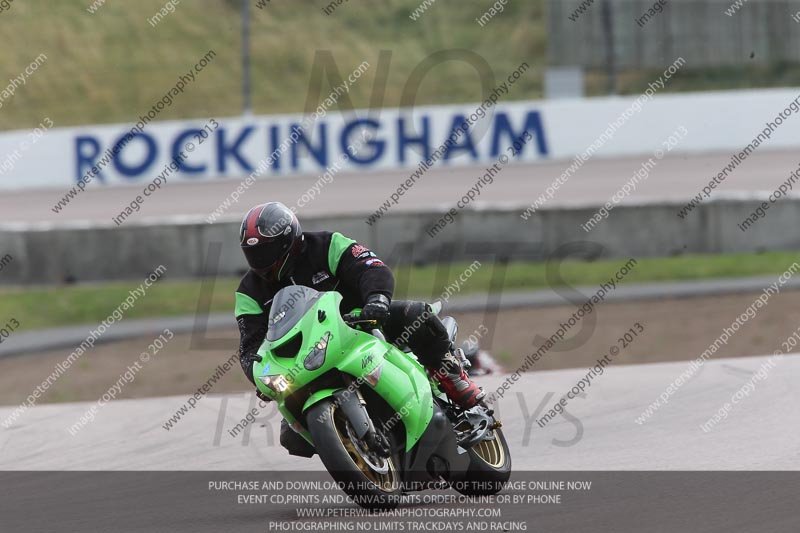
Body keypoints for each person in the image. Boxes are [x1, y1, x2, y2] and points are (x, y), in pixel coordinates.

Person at [234, 202, 484, 456]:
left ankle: (453, 376)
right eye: (254, 255)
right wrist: (258, 376)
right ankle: (345, 443)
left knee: (416, 314)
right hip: (307, 355)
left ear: (289, 240)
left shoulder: (326, 244)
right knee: (292, 438)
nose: (262, 262)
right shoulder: (248, 292)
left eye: (267, 251)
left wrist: (377, 299)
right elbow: (250, 346)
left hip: (363, 322)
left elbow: (371, 267)